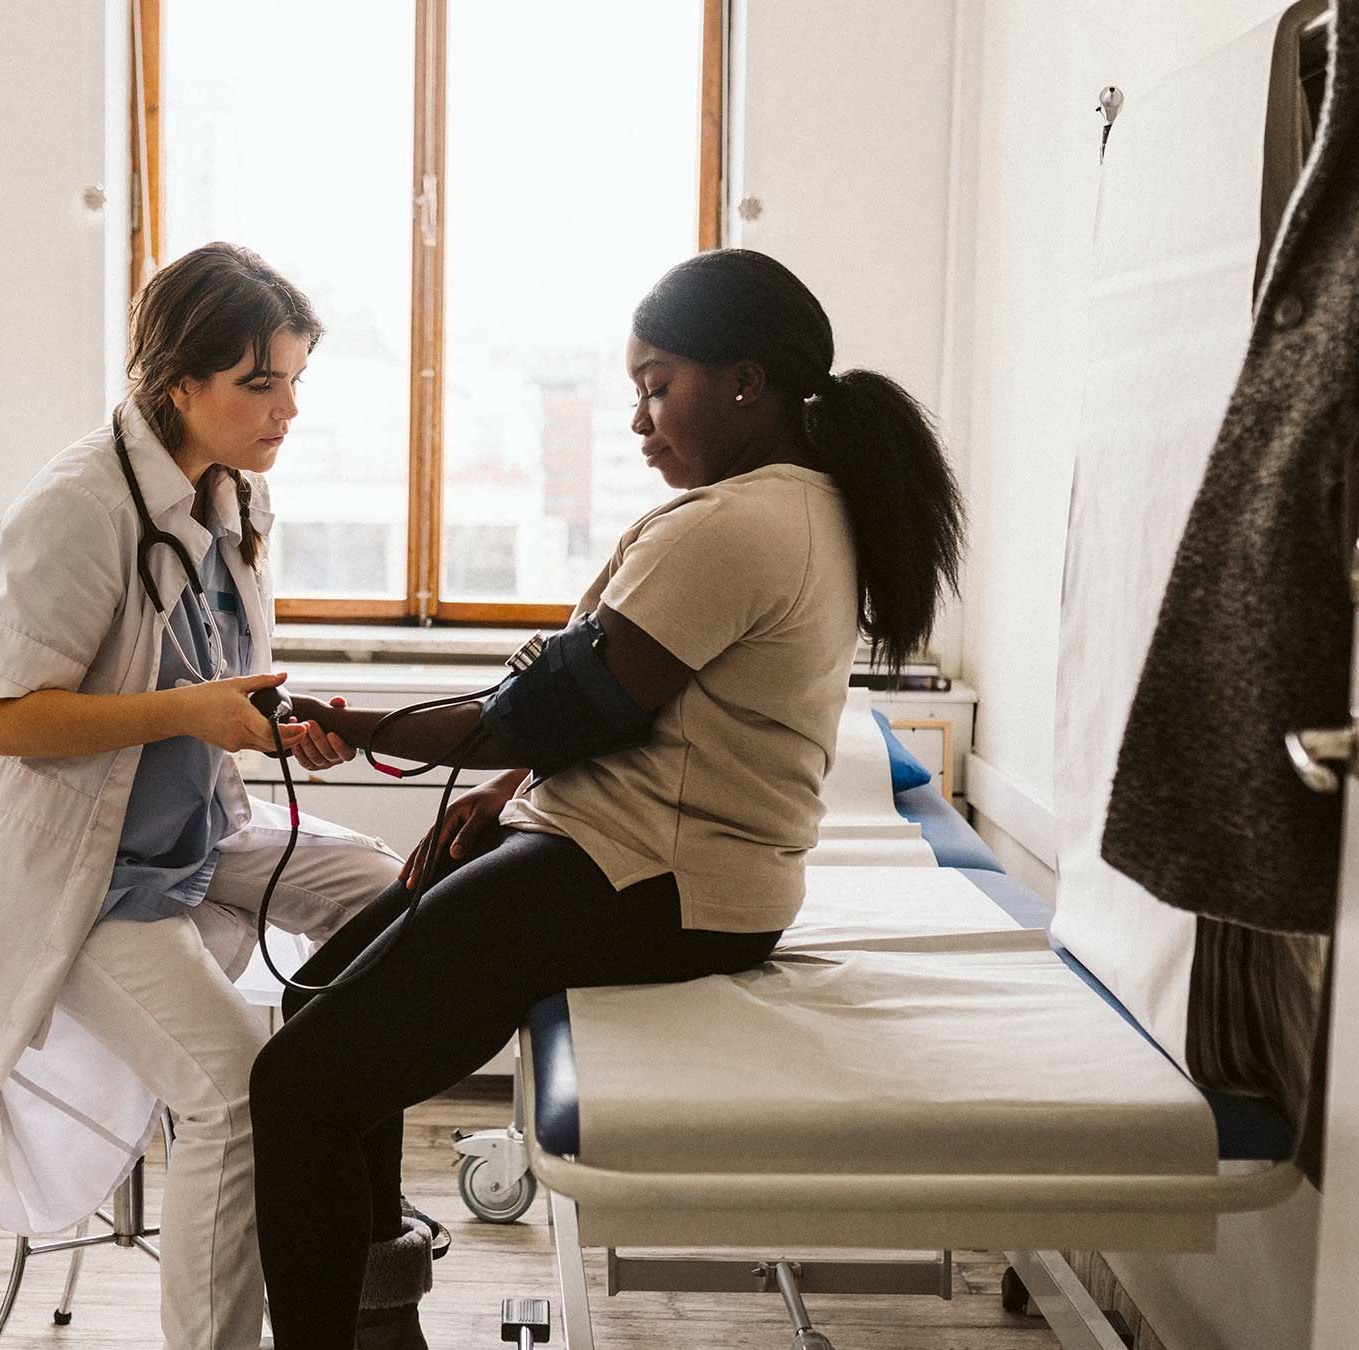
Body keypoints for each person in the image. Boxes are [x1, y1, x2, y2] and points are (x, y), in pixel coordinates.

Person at [249, 248, 967, 1349]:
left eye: (656, 383)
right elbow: (615, 716)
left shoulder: (734, 526)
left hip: (649, 878)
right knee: (317, 1021)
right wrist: (509, 789)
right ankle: (379, 1324)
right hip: (648, 862)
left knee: (300, 1086)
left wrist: (354, 726)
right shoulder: (798, 510)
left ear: (745, 380)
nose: (640, 417)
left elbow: (554, 710)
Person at [0, 242, 411, 1350]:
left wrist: (265, 721)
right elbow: (3, 723)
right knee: (233, 1096)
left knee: (388, 891)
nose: (287, 410)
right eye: (259, 384)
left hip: (192, 824)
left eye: (295, 381)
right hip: (74, 869)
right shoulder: (76, 507)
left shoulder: (231, 494)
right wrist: (193, 713)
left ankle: (346, 1188)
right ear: (178, 382)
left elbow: (208, 670)